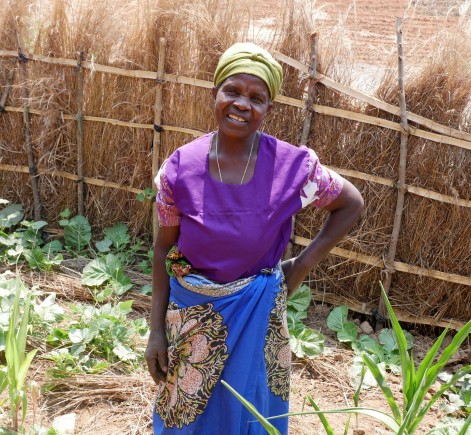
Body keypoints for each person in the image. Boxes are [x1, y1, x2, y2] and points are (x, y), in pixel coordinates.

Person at [145, 42, 364, 435]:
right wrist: (156, 329)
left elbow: (350, 204)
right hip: (194, 314)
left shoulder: (293, 167)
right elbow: (164, 247)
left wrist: (301, 265)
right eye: (232, 91)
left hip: (259, 313)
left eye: (256, 97)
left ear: (269, 109)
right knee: (186, 412)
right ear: (215, 94)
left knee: (250, 409)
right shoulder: (180, 169)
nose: (242, 104)